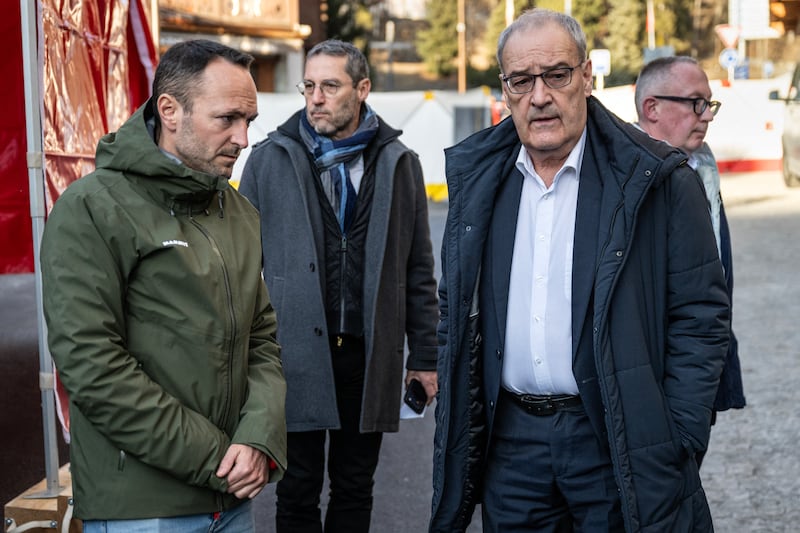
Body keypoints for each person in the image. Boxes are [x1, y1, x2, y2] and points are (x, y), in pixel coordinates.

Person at [430, 9, 731, 532]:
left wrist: (677, 435)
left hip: (614, 439)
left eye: (557, 75)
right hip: (512, 449)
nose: (539, 96)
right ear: (504, 89)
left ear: (587, 76)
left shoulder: (657, 179)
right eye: (521, 81)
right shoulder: (479, 183)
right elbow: (454, 310)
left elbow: (701, 318)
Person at [40, 39, 286, 531]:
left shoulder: (237, 211)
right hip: (143, 509)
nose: (243, 138)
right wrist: (220, 458)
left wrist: (259, 437)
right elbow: (92, 366)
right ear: (169, 111)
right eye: (227, 119)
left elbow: (260, 339)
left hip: (233, 498)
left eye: (248, 120)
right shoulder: (93, 207)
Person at [238, 39, 438, 533]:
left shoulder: (399, 163)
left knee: (354, 485)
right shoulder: (269, 160)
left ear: (362, 89)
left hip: (367, 356)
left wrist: (425, 357)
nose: (316, 99)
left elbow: (418, 269)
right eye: (309, 86)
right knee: (296, 487)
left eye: (330, 86)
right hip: (293, 354)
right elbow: (241, 270)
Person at [634, 56, 746, 468]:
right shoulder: (621, 175)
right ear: (652, 108)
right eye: (696, 103)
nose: (707, 116)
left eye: (709, 104)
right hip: (647, 387)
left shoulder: (702, 165)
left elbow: (712, 287)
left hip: (696, 380)